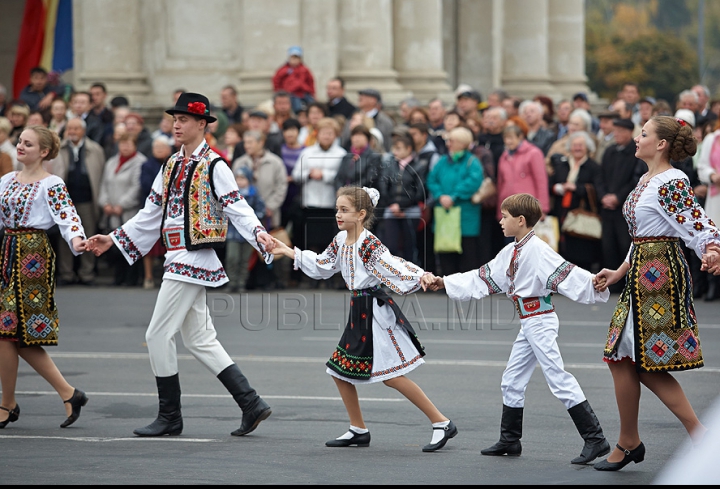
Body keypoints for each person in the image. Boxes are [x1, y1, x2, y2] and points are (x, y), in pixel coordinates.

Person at [86, 92, 276, 438]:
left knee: (157, 334)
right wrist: (113, 238)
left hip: (193, 257)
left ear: (202, 125)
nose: (177, 124)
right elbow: (150, 213)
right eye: (175, 119)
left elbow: (237, 207)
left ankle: (170, 416)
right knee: (200, 338)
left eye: (184, 119)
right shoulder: (171, 164)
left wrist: (259, 234)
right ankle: (251, 403)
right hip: (177, 255)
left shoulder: (215, 165)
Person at [424, 193, 611, 464]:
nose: (501, 221)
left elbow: (566, 273)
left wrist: (594, 282)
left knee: (558, 378)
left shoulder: (537, 249)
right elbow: (483, 277)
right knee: (512, 380)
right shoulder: (512, 250)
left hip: (540, 320)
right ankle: (510, 439)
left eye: (505, 217)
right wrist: (445, 282)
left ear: (521, 220)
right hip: (529, 321)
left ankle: (595, 439)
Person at [271, 186, 457, 451]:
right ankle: (358, 429)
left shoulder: (368, 244)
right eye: (337, 209)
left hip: (374, 313)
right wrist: (288, 250)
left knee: (392, 376)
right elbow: (323, 265)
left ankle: (442, 422)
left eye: (344, 210)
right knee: (339, 371)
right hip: (359, 310)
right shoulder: (340, 239)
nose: (338, 214)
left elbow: (392, 265)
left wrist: (422, 275)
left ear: (361, 214)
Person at [593, 116, 720, 471]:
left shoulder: (671, 180)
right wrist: (618, 271)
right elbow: (643, 236)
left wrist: (712, 250)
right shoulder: (646, 180)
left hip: (659, 275)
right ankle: (632, 440)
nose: (637, 138)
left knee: (638, 362)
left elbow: (696, 222)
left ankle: (686, 434)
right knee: (623, 359)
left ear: (661, 144)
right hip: (641, 271)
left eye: (644, 134)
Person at [0, 125, 89, 430]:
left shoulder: (52, 184)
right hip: (7, 253)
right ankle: (67, 393)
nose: (20, 147)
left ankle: (8, 403)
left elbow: (68, 218)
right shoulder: (6, 181)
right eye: (20, 142)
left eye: (28, 143)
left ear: (44, 151)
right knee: (11, 335)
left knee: (10, 333)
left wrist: (78, 240)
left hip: (33, 257)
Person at [49, 117, 106, 286]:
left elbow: (101, 174)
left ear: (83, 130)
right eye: (69, 129)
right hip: (65, 202)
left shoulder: (95, 149)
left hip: (87, 200)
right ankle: (67, 273)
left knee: (89, 236)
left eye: (76, 128)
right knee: (65, 238)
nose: (72, 132)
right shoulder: (59, 149)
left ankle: (86, 273)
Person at [426, 127, 484, 274]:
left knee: (467, 250)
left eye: (452, 140)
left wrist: (453, 196)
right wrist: (440, 195)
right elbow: (432, 179)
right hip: (444, 211)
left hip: (466, 214)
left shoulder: (472, 162)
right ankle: (447, 281)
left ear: (462, 143)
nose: (448, 143)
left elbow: (473, 182)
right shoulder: (443, 160)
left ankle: (467, 284)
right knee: (445, 248)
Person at [597, 118, 645, 293]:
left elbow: (635, 179)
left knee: (625, 244)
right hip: (607, 207)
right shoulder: (609, 151)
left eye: (619, 131)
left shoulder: (635, 153)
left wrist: (618, 197)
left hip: (624, 207)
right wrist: (603, 196)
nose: (616, 134)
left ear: (629, 133)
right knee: (608, 245)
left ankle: (628, 281)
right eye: (614, 131)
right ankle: (613, 283)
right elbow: (599, 177)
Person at [291, 117, 346, 260]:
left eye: (330, 133)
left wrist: (325, 175)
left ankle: (328, 274)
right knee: (310, 240)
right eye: (323, 133)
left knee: (328, 240)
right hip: (310, 202)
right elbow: (296, 174)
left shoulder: (341, 154)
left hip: (330, 203)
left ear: (335, 135)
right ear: (317, 134)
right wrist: (309, 174)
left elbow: (344, 177)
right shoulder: (307, 152)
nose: (326, 136)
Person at [548, 131, 603, 271]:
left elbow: (597, 189)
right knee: (562, 246)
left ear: (587, 148)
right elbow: (550, 185)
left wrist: (576, 188)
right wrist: (558, 188)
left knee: (581, 248)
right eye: (575, 145)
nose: (577, 148)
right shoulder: (562, 165)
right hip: (561, 210)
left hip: (582, 213)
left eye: (581, 145)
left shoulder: (593, 167)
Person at [98, 132, 146, 286]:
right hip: (111, 212)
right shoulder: (111, 162)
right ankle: (118, 277)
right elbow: (104, 184)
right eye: (122, 144)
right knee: (115, 244)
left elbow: (137, 187)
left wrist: (121, 205)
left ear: (135, 145)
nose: (125, 147)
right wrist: (105, 203)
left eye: (128, 144)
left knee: (130, 245)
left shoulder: (140, 162)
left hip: (129, 212)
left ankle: (131, 278)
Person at [378, 133, 427, 262]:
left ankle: (411, 278)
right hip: (391, 209)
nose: (395, 152)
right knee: (390, 246)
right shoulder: (390, 165)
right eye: (394, 148)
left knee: (409, 247)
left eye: (399, 148)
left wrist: (402, 206)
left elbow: (420, 191)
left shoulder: (420, 165)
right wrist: (392, 204)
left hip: (410, 211)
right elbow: (383, 186)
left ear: (409, 149)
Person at [496, 125, 550, 232]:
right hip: (509, 209)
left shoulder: (533, 153)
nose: (508, 141)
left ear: (520, 137)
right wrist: (500, 212)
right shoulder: (504, 156)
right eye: (505, 138)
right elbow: (501, 184)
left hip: (527, 208)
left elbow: (541, 181)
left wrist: (542, 208)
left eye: (511, 138)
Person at [139, 136, 173, 289]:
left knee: (170, 244)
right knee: (149, 245)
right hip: (152, 207)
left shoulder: (174, 163)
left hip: (171, 210)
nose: (159, 150)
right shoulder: (147, 165)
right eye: (156, 147)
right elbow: (145, 184)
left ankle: (169, 275)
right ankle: (148, 276)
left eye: (162, 147)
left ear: (168, 149)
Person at [226, 167, 265, 293]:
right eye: (237, 178)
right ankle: (232, 282)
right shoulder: (230, 193)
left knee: (245, 259)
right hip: (233, 231)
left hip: (248, 232)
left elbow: (261, 209)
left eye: (243, 178)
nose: (240, 181)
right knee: (232, 257)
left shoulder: (254, 194)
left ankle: (241, 282)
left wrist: (253, 219)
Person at [697, 119, 720, 301]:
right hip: (716, 196)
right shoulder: (712, 138)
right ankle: (713, 284)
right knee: (714, 239)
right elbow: (702, 166)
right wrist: (712, 175)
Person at [334, 125, 383, 194]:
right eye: (354, 135)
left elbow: (369, 178)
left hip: (362, 195)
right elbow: (339, 177)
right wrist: (340, 190)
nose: (356, 139)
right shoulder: (347, 156)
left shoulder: (374, 157)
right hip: (344, 195)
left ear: (367, 138)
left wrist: (351, 190)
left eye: (360, 136)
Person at [272, 46, 315, 114]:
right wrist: (278, 92)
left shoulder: (304, 69)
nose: (295, 60)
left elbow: (311, 81)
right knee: (297, 107)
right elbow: (276, 80)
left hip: (304, 92)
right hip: (292, 93)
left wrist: (312, 93)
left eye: (297, 58)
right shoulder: (284, 69)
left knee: (313, 104)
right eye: (293, 58)